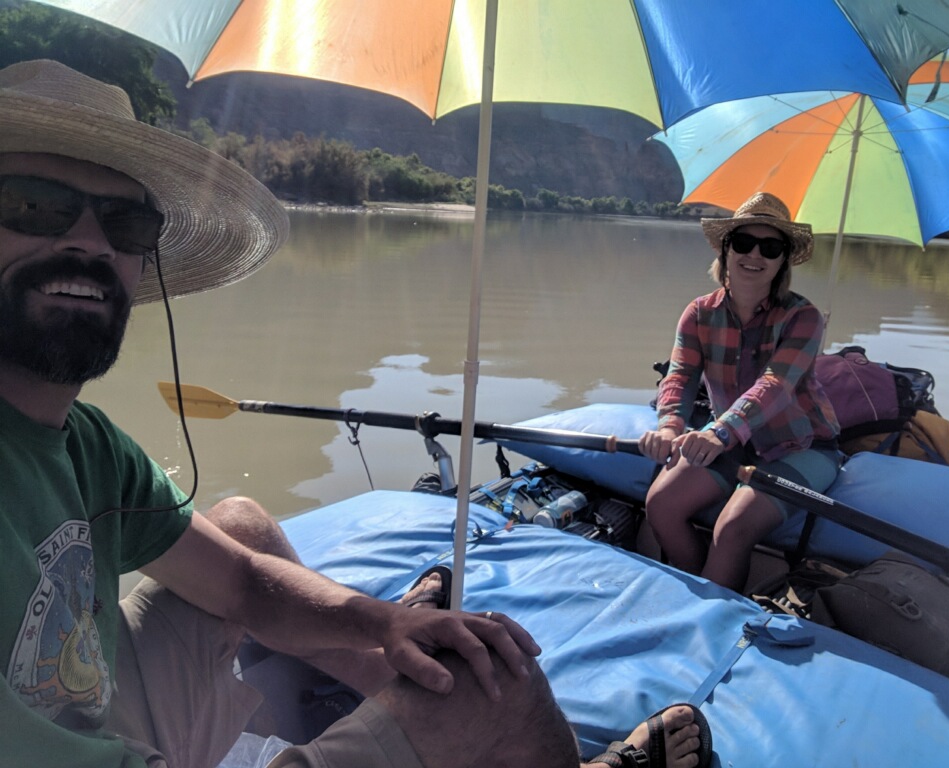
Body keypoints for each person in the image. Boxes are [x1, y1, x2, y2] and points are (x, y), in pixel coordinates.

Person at [0, 59, 709, 768]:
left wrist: (387, 622)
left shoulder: (84, 444)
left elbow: (244, 581)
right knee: (487, 687)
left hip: (85, 707)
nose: (90, 244)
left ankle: (404, 692)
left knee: (241, 530)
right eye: (33, 205)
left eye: (125, 222)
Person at [639, 192, 842, 593]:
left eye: (771, 247)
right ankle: (699, 589)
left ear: (783, 260)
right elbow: (680, 376)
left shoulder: (803, 317)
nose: (755, 255)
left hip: (802, 446)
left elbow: (776, 386)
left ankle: (715, 619)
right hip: (731, 440)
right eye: (744, 242)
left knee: (732, 528)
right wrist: (668, 427)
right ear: (726, 249)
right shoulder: (699, 312)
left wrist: (720, 432)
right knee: (660, 506)